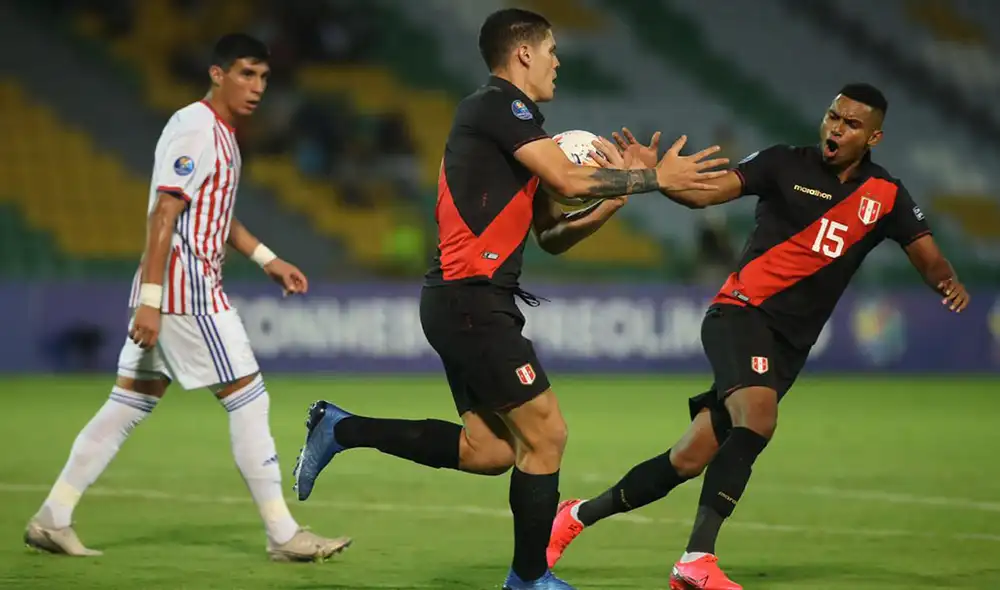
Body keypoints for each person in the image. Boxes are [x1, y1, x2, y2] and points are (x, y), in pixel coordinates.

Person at [291, 8, 727, 590]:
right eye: (551, 51)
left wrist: (620, 199)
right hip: (471, 299)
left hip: (466, 300)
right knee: (547, 433)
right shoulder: (496, 106)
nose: (558, 62)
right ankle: (528, 579)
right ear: (522, 54)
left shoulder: (519, 133)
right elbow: (571, 182)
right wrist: (656, 181)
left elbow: (551, 233)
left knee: (489, 450)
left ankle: (338, 429)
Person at [546, 83, 971, 590]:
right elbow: (706, 194)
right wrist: (652, 176)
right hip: (741, 313)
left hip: (788, 344)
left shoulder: (886, 195)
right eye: (832, 116)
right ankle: (696, 560)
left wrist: (946, 282)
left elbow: (925, 251)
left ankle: (575, 515)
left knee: (688, 458)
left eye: (851, 124)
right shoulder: (782, 163)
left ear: (874, 135)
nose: (836, 128)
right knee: (759, 419)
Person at [24, 33, 351, 562]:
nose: (257, 86)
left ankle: (52, 518)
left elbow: (216, 215)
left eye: (264, 77)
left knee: (128, 403)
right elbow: (164, 213)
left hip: (178, 288)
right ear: (217, 74)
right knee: (250, 398)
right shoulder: (197, 129)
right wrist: (152, 300)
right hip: (187, 290)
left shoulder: (222, 135)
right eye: (246, 73)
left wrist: (267, 258)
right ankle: (283, 535)